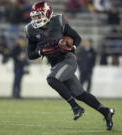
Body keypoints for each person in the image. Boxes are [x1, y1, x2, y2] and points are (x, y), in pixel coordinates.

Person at [25, 1, 114, 130]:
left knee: (52, 79)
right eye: (34, 16)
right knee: (80, 94)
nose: (36, 19)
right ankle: (106, 112)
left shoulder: (58, 21)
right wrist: (41, 51)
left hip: (67, 59)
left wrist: (70, 47)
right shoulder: (31, 30)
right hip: (56, 64)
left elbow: (77, 38)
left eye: (38, 16)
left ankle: (75, 107)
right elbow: (30, 55)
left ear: (47, 13)